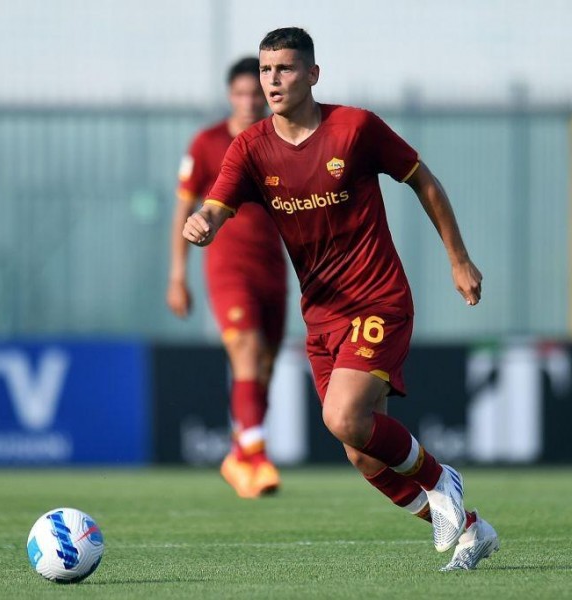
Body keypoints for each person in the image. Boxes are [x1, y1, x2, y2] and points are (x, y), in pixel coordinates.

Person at [183, 27, 499, 571]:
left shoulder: (355, 128)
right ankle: (470, 529)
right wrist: (203, 224)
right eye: (265, 70)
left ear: (312, 74)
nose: (273, 80)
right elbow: (216, 204)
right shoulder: (251, 147)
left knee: (343, 417)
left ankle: (441, 478)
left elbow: (423, 181)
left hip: (378, 298)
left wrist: (458, 259)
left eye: (284, 69)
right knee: (359, 449)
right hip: (322, 315)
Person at [168, 57, 288, 499]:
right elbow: (183, 210)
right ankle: (256, 458)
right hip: (226, 265)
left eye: (254, 93)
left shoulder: (281, 138)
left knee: (265, 369)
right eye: (239, 94)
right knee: (245, 347)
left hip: (273, 267)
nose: (248, 101)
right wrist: (178, 275)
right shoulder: (206, 143)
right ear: (229, 96)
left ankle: (239, 454)